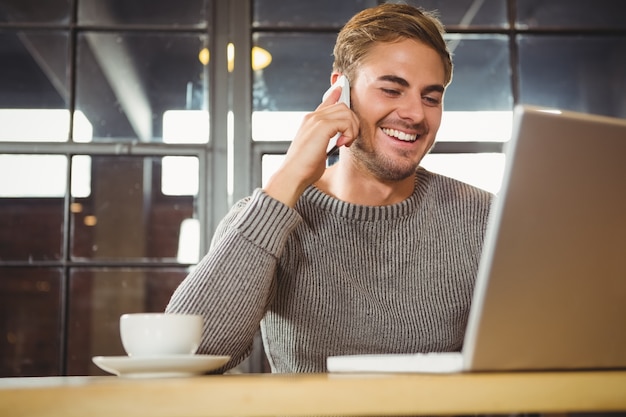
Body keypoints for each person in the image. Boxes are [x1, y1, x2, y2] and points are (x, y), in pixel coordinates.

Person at [166, 3, 493, 373]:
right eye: (391, 90)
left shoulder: (482, 217)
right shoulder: (267, 215)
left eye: (431, 98)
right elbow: (184, 356)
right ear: (340, 90)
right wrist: (288, 177)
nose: (416, 114)